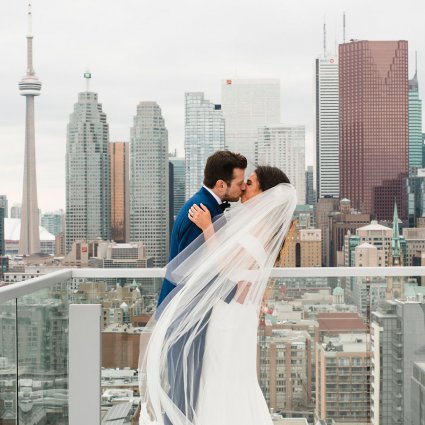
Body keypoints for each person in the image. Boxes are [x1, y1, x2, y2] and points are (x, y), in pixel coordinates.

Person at [139, 165, 297, 425]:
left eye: (251, 182)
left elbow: (225, 266)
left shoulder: (259, 229)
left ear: (264, 193)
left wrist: (207, 228)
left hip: (229, 315)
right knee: (226, 376)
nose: (245, 186)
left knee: (220, 375)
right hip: (236, 312)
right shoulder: (261, 226)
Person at [153, 150, 247, 425]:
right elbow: (195, 274)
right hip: (184, 317)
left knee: (189, 391)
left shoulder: (209, 208)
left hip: (192, 316)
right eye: (239, 182)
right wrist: (232, 291)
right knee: (182, 395)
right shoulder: (201, 213)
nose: (242, 187)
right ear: (221, 185)